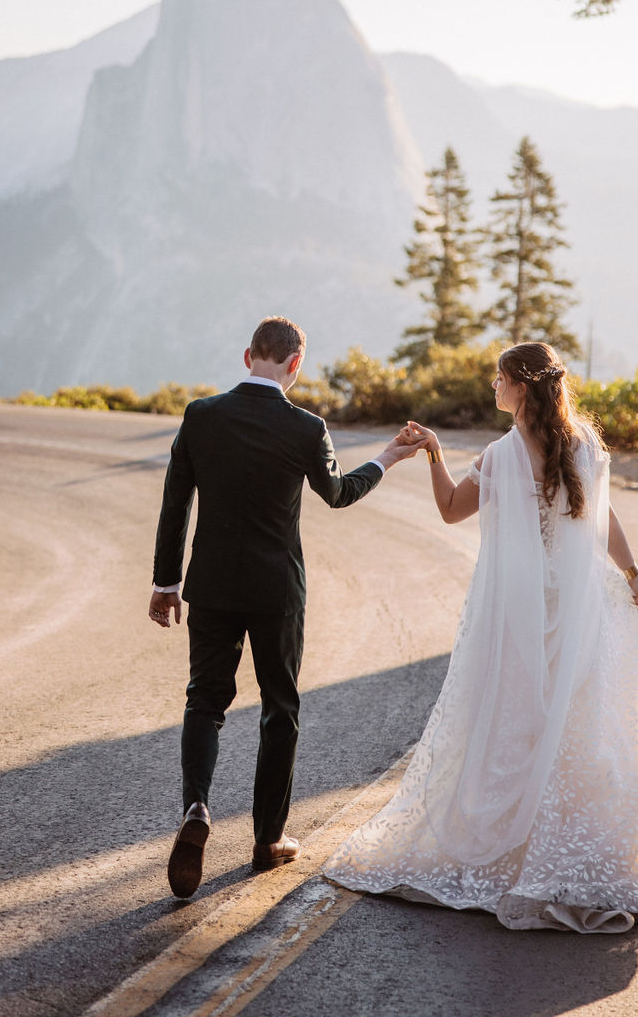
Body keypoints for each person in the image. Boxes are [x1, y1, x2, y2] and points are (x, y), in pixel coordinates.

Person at [325, 341, 638, 933]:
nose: (492, 385)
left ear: (520, 386)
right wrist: (635, 577)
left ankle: (520, 853)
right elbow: (604, 518)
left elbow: (451, 511)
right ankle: (588, 852)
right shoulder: (585, 443)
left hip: (518, 613)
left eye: (499, 377)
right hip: (581, 606)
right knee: (582, 725)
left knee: (521, 720)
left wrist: (433, 454)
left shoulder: (500, 455)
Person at [148, 315, 424, 899]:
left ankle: (196, 805)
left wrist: (166, 583)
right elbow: (338, 493)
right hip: (277, 593)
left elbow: (176, 504)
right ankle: (268, 839)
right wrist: (388, 458)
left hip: (212, 587)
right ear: (295, 365)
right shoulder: (306, 427)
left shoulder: (201, 415)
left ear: (248, 355)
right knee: (280, 709)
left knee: (205, 701)